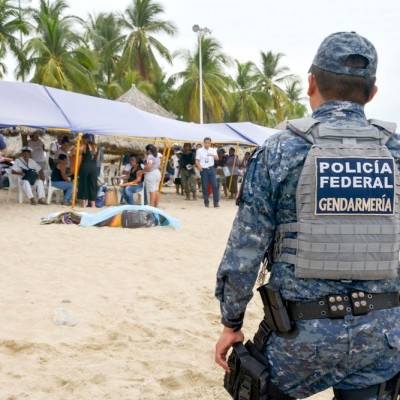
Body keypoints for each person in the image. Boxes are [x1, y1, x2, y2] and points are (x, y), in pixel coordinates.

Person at [215, 31, 400, 400]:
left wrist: (231, 322)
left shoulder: (282, 149)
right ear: (373, 92)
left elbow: (245, 250)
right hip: (382, 336)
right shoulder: (394, 150)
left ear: (311, 82)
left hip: (298, 338)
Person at [195, 137, 219, 208]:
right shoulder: (199, 150)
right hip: (204, 170)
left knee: (215, 185)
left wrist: (212, 155)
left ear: (210, 143)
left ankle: (216, 203)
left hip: (211, 169)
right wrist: (198, 165)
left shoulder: (213, 150)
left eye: (208, 143)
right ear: (204, 143)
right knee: (204, 186)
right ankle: (206, 202)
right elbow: (197, 160)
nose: (207, 144)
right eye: (206, 143)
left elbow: (217, 158)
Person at [77, 133, 99, 208]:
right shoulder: (97, 147)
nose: (82, 141)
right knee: (93, 185)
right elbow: (98, 159)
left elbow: (78, 154)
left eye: (83, 139)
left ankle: (84, 203)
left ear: (86, 139)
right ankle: (93, 204)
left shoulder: (84, 146)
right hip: (94, 167)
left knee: (84, 184)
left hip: (85, 166)